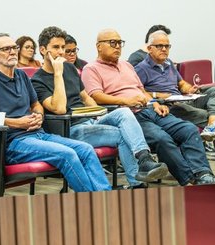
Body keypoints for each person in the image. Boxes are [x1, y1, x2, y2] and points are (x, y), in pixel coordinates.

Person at [82, 29, 215, 185]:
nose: (117, 46)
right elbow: (96, 96)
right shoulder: (91, 69)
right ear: (99, 46)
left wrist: (155, 103)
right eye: (112, 42)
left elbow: (141, 90)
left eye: (119, 43)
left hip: (150, 109)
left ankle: (203, 174)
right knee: (162, 139)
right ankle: (189, 179)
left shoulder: (127, 65)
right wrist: (126, 101)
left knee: (189, 130)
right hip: (129, 117)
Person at [30, 26, 168, 188]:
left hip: (89, 121)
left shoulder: (69, 68)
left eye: (62, 47)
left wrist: (99, 114)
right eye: (55, 47)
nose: (61, 52)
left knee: (123, 112)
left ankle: (144, 159)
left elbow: (85, 97)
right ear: (43, 50)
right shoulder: (38, 80)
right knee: (123, 135)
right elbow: (59, 109)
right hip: (69, 129)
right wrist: (58, 74)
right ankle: (137, 182)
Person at [0, 33, 111, 192]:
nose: (12, 52)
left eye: (14, 48)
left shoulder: (21, 75)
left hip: (39, 134)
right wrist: (16, 123)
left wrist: (39, 115)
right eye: (6, 49)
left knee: (86, 150)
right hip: (14, 142)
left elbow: (36, 105)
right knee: (67, 154)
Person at [134, 31, 215, 183]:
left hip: (182, 99)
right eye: (160, 46)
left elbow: (181, 83)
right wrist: (157, 95)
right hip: (168, 106)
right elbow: (138, 91)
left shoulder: (168, 63)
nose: (164, 49)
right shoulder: (141, 69)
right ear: (149, 48)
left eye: (167, 46)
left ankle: (213, 124)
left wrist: (189, 89)